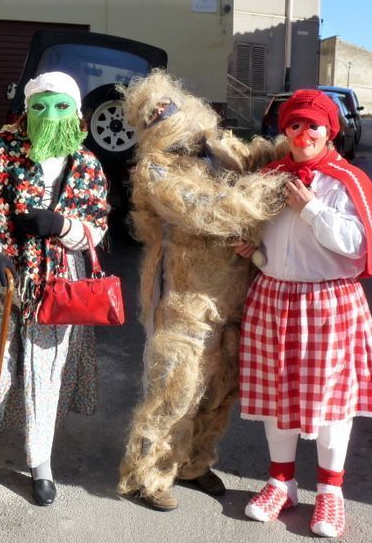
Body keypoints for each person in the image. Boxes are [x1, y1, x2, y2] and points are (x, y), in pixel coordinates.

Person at [233, 89, 372, 537]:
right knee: (276, 397)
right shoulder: (270, 177)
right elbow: (269, 243)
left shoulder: (345, 180)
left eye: (313, 125)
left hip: (328, 302)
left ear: (331, 130)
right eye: (295, 124)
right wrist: (252, 250)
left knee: (332, 402)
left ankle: (330, 493)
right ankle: (280, 483)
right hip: (272, 295)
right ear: (283, 129)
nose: (303, 133)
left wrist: (310, 208)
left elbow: (354, 245)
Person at [116, 70, 289, 511]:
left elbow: (262, 157)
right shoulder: (156, 170)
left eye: (165, 104)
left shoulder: (219, 147)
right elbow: (212, 209)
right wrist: (275, 189)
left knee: (223, 384)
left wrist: (299, 147)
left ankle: (194, 463)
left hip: (234, 290)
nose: (161, 115)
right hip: (184, 295)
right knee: (176, 386)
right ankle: (147, 475)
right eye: (150, 114)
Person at [0, 71, 110, 507]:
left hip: (55, 285)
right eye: (40, 106)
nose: (50, 115)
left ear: (77, 113)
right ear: (26, 109)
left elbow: (98, 223)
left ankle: (41, 462)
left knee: (44, 371)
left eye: (60, 107)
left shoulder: (87, 163)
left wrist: (64, 227)